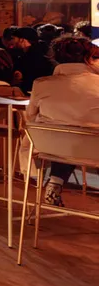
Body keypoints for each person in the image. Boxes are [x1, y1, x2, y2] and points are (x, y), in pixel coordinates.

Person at [23, 35, 99, 207]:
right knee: (81, 133)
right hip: (94, 149)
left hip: (52, 148)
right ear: (89, 58)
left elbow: (30, 117)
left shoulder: (41, 84)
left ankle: (55, 180)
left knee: (63, 130)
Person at [10, 26, 55, 94]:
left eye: (13, 38)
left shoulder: (29, 58)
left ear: (22, 40)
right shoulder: (40, 54)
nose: (12, 41)